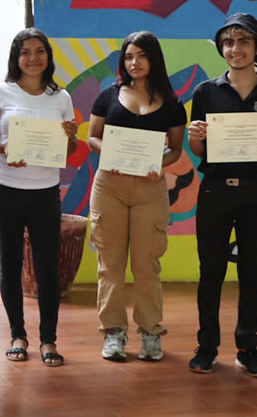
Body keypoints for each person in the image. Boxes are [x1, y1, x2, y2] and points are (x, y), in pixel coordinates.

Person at [185, 13, 257, 377]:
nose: (236, 49)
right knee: (210, 273)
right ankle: (206, 346)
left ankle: (248, 347)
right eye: (229, 42)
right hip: (215, 191)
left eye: (244, 41)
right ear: (221, 49)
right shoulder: (205, 92)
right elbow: (201, 152)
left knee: (252, 274)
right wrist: (195, 138)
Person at [87, 31, 186, 363]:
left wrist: (159, 163)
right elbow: (92, 138)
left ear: (153, 59)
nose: (134, 63)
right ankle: (113, 334)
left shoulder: (172, 104)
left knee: (147, 264)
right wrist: (111, 156)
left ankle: (150, 334)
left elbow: (174, 149)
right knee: (110, 265)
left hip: (150, 189)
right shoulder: (107, 96)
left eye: (141, 56)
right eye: (129, 57)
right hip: (110, 186)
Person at [0, 28, 77, 366]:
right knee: (10, 264)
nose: (33, 58)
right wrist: (5, 148)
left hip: (44, 192)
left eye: (39, 51)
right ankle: (17, 334)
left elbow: (70, 149)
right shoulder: (1, 92)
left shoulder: (61, 98)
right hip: (4, 189)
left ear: (48, 57)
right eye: (25, 52)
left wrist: (70, 136)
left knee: (48, 268)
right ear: (16, 58)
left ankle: (48, 340)